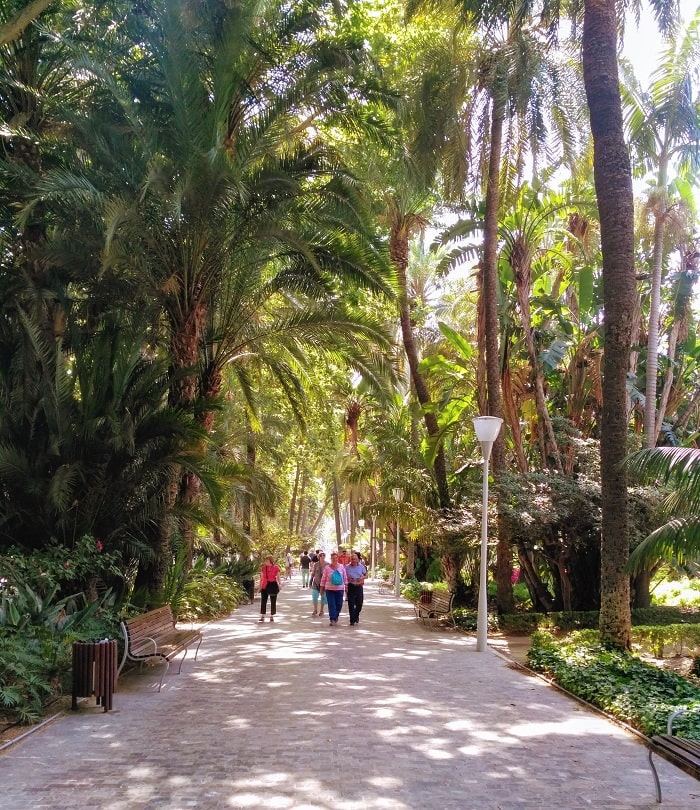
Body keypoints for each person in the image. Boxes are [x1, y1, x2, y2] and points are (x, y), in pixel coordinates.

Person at [319, 551, 347, 626]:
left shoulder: (341, 567)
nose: (334, 559)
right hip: (329, 589)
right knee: (331, 604)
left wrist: (346, 586)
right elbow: (323, 578)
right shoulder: (327, 568)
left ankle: (336, 616)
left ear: (337, 558)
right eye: (333, 558)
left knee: (339, 604)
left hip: (340, 589)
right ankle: (332, 619)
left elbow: (345, 577)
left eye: (336, 558)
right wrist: (321, 588)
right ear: (331, 559)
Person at [345, 550, 367, 626]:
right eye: (352, 559)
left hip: (359, 587)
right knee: (351, 604)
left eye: (355, 559)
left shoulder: (361, 567)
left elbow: (366, 575)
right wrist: (348, 580)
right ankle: (352, 619)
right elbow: (344, 577)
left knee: (359, 604)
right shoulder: (347, 567)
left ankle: (356, 615)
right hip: (351, 586)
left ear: (358, 559)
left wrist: (362, 578)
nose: (353, 561)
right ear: (350, 560)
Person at [259, 555, 281, 622]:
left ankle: (271, 615)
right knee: (263, 601)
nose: (266, 562)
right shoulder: (263, 568)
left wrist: (279, 584)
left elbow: (278, 577)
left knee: (273, 601)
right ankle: (262, 615)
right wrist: (260, 586)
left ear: (271, 561)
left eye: (267, 560)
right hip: (265, 585)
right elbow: (262, 578)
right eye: (265, 560)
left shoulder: (276, 567)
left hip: (273, 585)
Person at [310, 551, 328, 617]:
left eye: (324, 555)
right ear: (319, 557)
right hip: (316, 583)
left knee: (323, 597)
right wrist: (312, 576)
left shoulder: (327, 564)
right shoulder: (316, 564)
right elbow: (313, 572)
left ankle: (322, 611)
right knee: (314, 597)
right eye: (321, 555)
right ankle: (315, 610)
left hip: (324, 584)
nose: (322, 556)